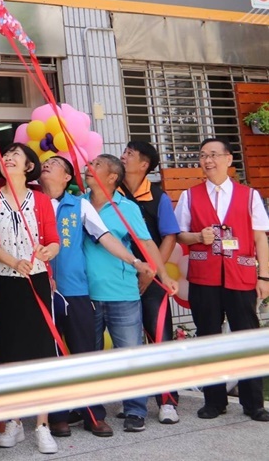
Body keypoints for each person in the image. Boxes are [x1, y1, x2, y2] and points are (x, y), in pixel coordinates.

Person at [39, 156, 150, 438]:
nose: (47, 165)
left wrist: (135, 261)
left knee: (84, 354)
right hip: (41, 289)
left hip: (76, 290)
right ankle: (58, 416)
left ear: (67, 177)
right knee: (51, 355)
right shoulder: (32, 202)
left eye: (55, 163)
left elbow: (106, 237)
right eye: (45, 163)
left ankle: (93, 414)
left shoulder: (80, 205)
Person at [175, 137, 269, 422]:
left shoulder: (249, 195)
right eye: (203, 155)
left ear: (229, 159)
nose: (208, 160)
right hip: (204, 278)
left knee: (246, 339)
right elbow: (179, 235)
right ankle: (214, 401)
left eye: (214, 154)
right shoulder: (190, 196)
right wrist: (197, 236)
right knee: (208, 338)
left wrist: (264, 276)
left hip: (240, 276)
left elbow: (260, 238)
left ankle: (253, 403)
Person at [0, 142, 60, 454]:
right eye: (5, 154)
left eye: (15, 155)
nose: (8, 158)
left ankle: (42, 424)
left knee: (41, 351)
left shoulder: (41, 199)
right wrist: (13, 262)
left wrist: (46, 251)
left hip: (35, 280)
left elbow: (54, 241)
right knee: (8, 350)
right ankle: (13, 420)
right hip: (2, 281)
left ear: (29, 166)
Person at [84, 154, 175, 433]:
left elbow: (146, 243)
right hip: (85, 294)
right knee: (89, 357)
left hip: (122, 292)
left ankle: (135, 409)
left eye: (96, 165)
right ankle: (92, 413)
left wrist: (163, 275)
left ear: (113, 177)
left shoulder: (126, 207)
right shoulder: (78, 204)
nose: (89, 167)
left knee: (130, 355)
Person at [119, 139, 182, 424]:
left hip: (153, 281)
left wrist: (153, 272)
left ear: (144, 164)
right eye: (124, 152)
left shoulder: (158, 196)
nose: (123, 156)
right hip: (119, 278)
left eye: (129, 153)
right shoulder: (111, 193)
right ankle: (133, 402)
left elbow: (169, 236)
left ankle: (167, 401)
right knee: (127, 343)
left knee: (160, 339)